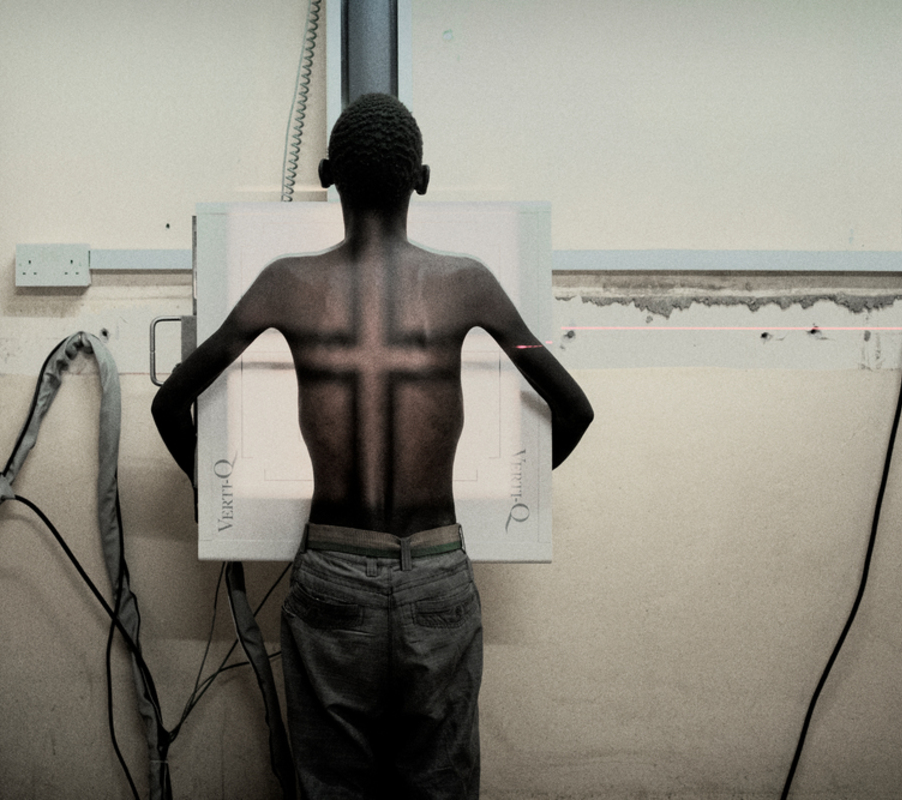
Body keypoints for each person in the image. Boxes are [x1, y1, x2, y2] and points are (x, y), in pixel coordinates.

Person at [151, 93, 593, 799]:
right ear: (422, 179)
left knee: (332, 789)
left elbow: (171, 402)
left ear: (328, 174)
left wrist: (211, 493)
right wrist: (469, 520)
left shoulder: (285, 283)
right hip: (438, 574)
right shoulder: (467, 283)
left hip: (333, 573)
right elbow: (574, 409)